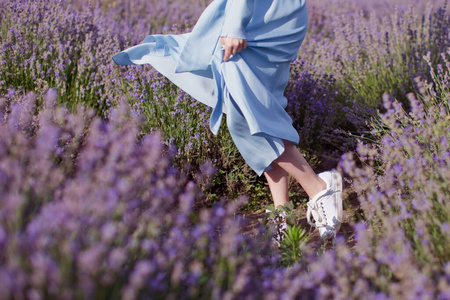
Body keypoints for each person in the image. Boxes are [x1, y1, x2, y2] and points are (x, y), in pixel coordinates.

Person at [113, 0, 343, 240]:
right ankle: (282, 213)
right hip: (266, 14)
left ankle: (318, 187)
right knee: (260, 110)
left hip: (256, 17)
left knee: (247, 115)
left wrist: (234, 24)